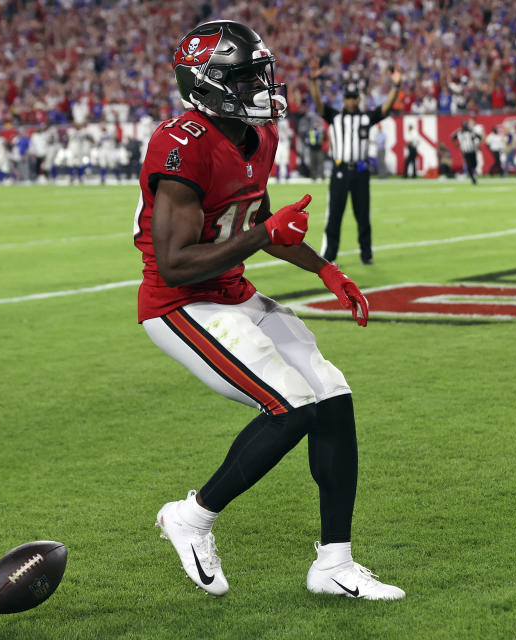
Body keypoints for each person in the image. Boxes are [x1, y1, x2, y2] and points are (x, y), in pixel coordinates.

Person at [137, 19, 404, 602]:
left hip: (230, 292)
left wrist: (324, 269)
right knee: (289, 405)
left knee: (331, 392)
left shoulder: (260, 136)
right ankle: (193, 516)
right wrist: (264, 238)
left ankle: (334, 563)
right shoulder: (178, 143)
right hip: (179, 303)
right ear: (208, 84)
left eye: (262, 73)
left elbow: (258, 223)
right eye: (247, 76)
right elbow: (177, 262)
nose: (263, 84)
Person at [309, 60, 402, 265]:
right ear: (344, 99)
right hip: (340, 169)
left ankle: (366, 254)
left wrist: (396, 86)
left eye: (354, 97)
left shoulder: (366, 118)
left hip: (360, 171)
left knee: (363, 215)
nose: (351, 101)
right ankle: (330, 256)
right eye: (348, 97)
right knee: (335, 214)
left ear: (358, 99)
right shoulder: (335, 117)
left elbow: (385, 109)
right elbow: (318, 104)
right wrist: (314, 81)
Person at [451, 119, 481, 184]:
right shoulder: (459, 132)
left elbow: (478, 137)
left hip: (472, 150)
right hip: (465, 151)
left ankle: (472, 175)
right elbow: (453, 137)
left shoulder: (471, 131)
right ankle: (472, 178)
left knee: (475, 164)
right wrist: (457, 145)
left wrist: (477, 143)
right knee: (469, 165)